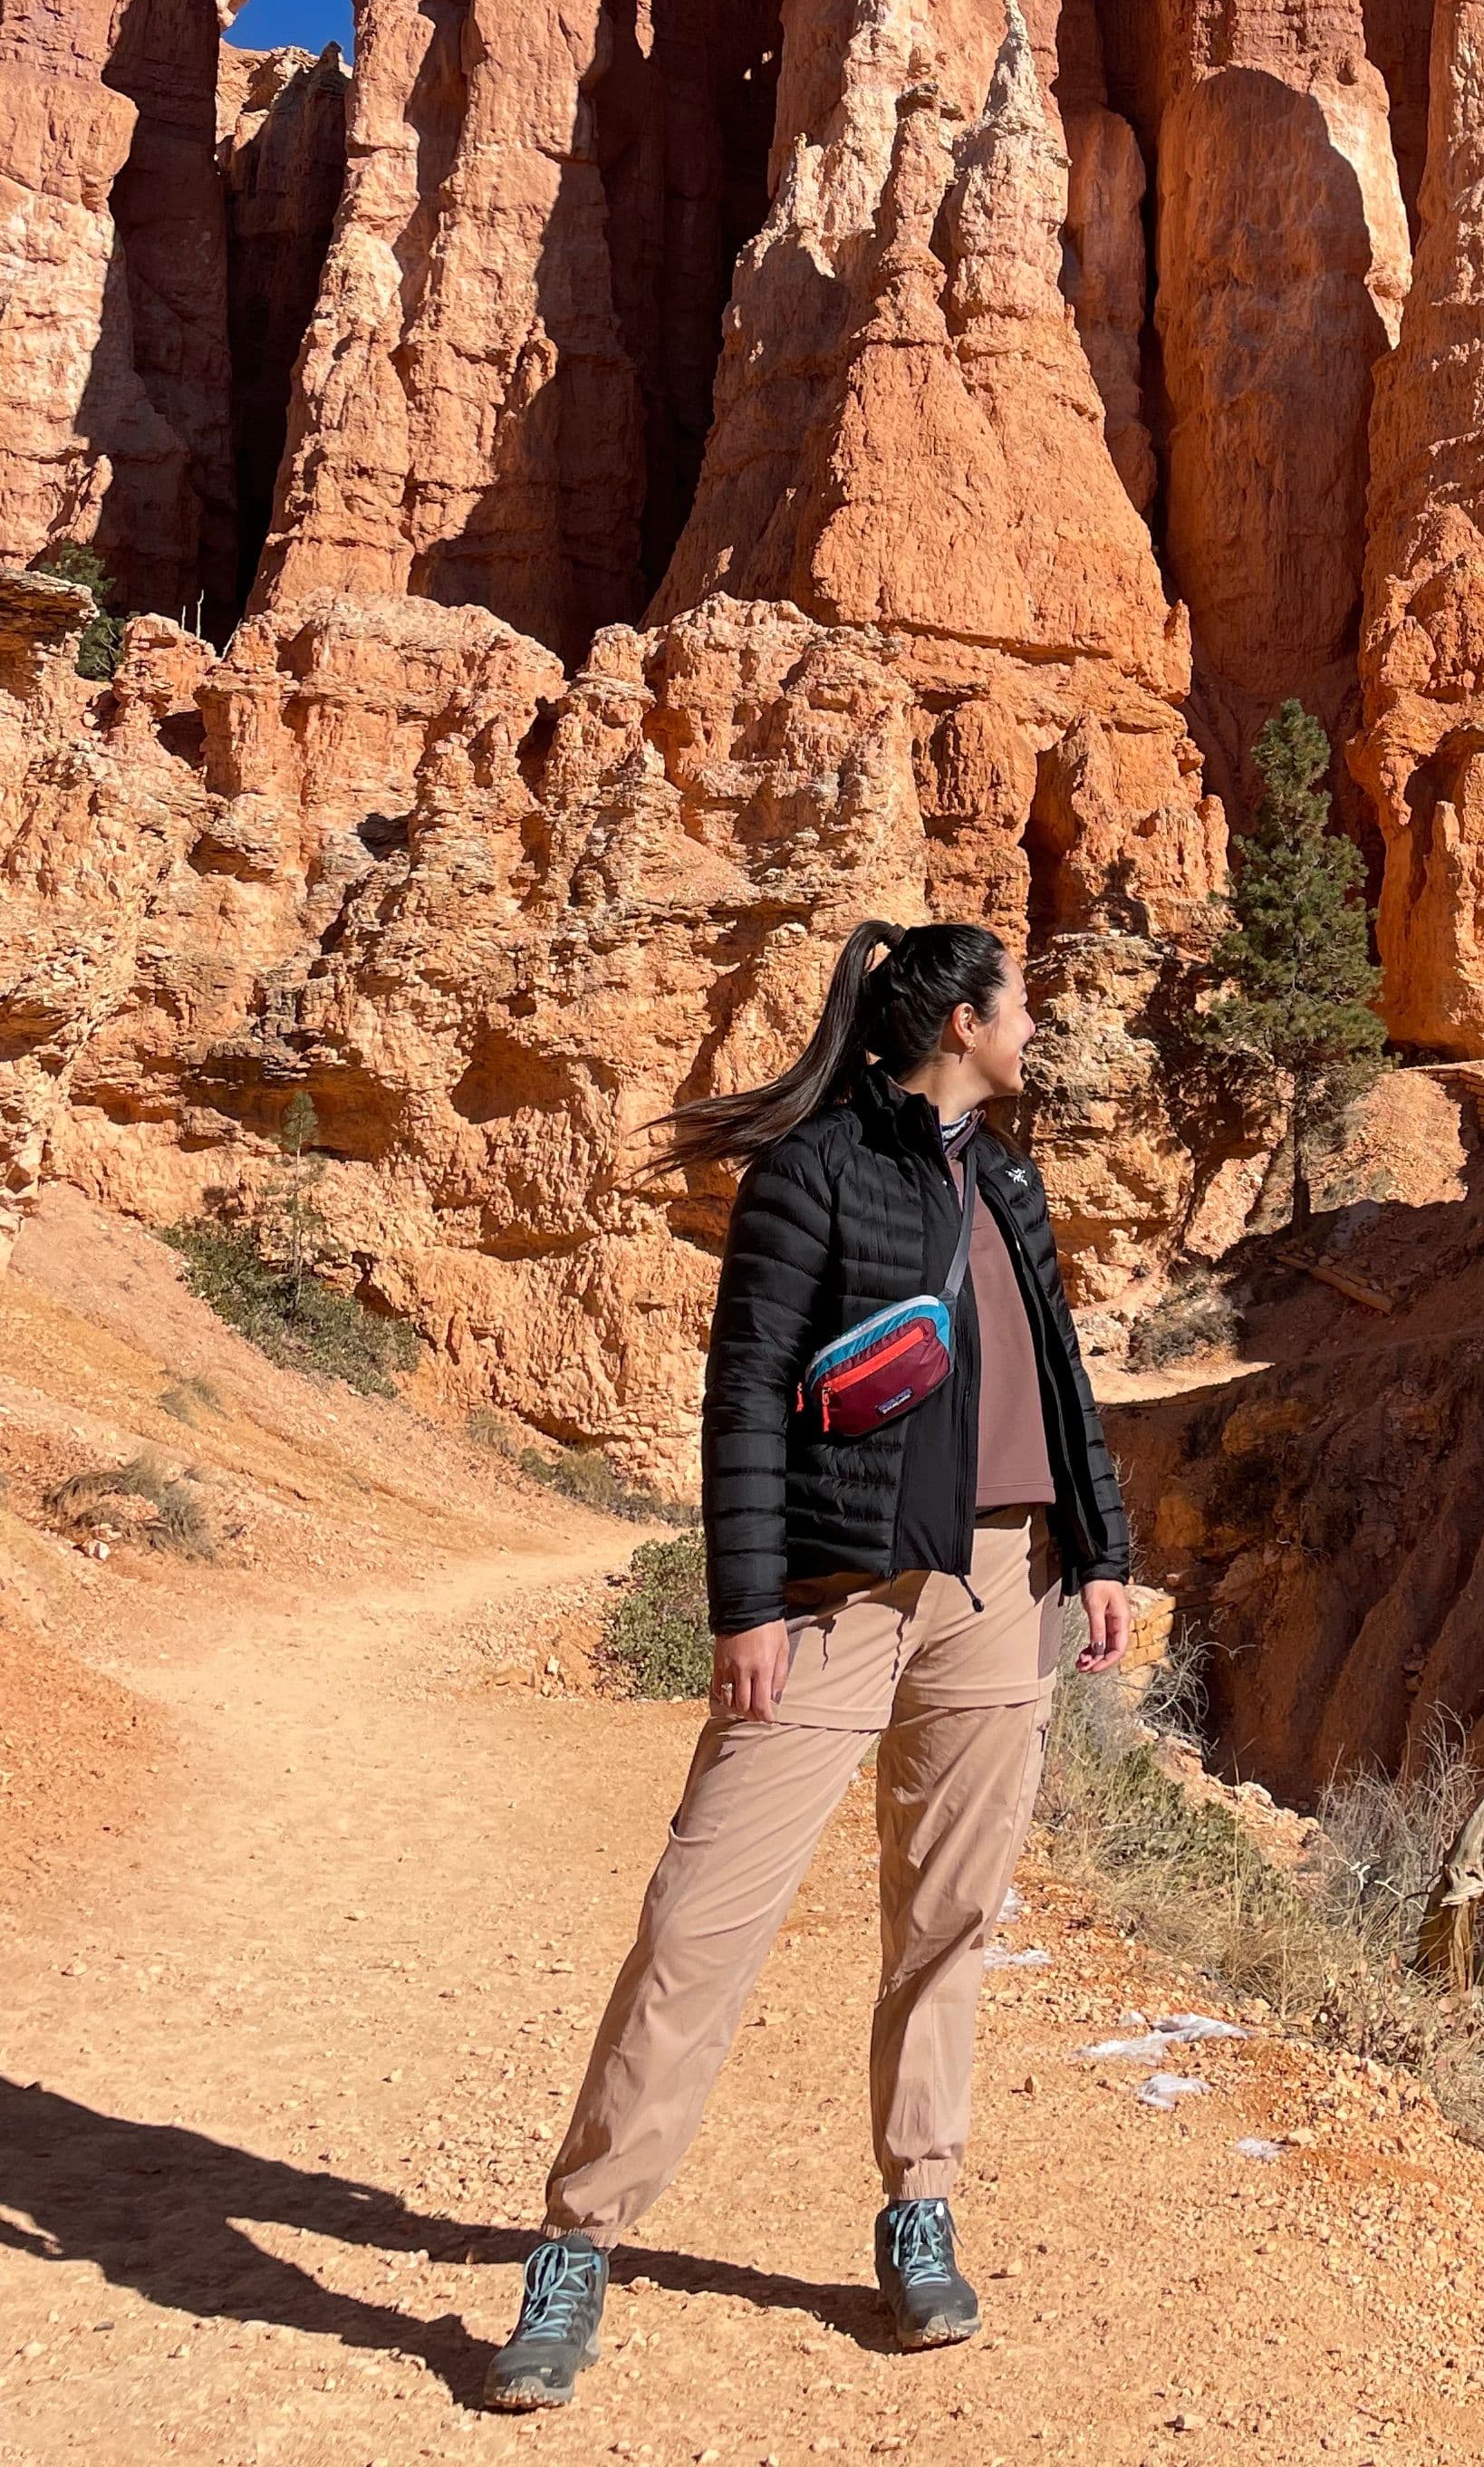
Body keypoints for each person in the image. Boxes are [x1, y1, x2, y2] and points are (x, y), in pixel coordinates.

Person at [485, 920, 1133, 2413]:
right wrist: (746, 1607)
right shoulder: (817, 1170)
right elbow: (745, 1403)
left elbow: (1063, 1378)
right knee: (699, 1920)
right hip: (839, 1598)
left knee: (950, 1919)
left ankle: (920, 2210)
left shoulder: (1011, 1181)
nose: (1034, 1026)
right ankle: (579, 2245)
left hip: (1004, 1589)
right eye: (1020, 1004)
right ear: (963, 1021)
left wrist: (1100, 1555)